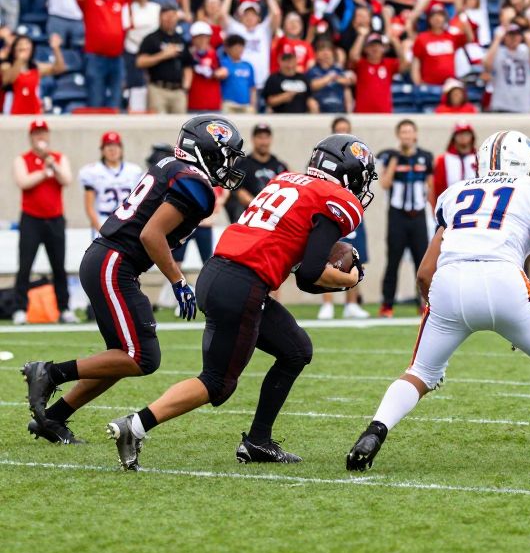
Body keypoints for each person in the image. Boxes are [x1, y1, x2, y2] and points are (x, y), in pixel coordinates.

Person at [346, 130, 530, 471]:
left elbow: (425, 272)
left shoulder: (455, 192)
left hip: (449, 281)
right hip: (503, 279)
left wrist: (438, 313)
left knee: (419, 374)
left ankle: (373, 433)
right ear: (527, 162)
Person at [107, 134, 374, 469]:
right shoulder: (337, 199)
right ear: (349, 173)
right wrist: (349, 280)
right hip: (242, 283)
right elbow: (308, 276)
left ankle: (258, 441)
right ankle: (135, 426)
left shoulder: (285, 179)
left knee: (296, 351)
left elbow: (289, 254)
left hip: (220, 272)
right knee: (217, 383)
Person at [21, 116, 244, 446]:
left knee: (122, 356)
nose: (227, 164)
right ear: (206, 151)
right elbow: (151, 234)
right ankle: (49, 373)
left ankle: (53, 417)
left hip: (109, 260)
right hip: (114, 263)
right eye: (224, 155)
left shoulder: (171, 165)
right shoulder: (194, 184)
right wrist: (178, 281)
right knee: (142, 357)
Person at [12, 120, 75, 327]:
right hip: (31, 219)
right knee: (25, 265)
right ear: (31, 137)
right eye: (36, 134)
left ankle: (64, 308)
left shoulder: (58, 158)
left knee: (59, 266)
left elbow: (66, 179)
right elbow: (23, 182)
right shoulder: (23, 159)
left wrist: (52, 165)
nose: (40, 137)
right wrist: (42, 171)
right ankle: (20, 308)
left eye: (43, 133)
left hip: (55, 219)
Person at [378, 120, 434, 318]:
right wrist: (394, 160)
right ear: (398, 135)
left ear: (415, 134)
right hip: (397, 215)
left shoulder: (425, 157)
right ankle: (387, 305)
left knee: (422, 261)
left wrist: (435, 212)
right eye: (403, 132)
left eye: (409, 132)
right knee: (393, 260)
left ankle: (425, 303)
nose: (406, 136)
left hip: (417, 215)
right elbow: (384, 184)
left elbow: (431, 187)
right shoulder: (390, 156)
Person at [319, 116, 372, 320]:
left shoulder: (359, 158)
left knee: (354, 255)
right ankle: (328, 304)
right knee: (326, 256)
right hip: (330, 211)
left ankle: (352, 303)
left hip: (351, 210)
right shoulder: (323, 156)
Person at [79, 131, 144, 237]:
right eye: (108, 146)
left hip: (128, 221)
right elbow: (89, 207)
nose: (112, 150)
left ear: (121, 149)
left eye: (115, 146)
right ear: (102, 150)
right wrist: (100, 229)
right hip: (104, 219)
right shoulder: (92, 171)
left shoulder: (134, 171)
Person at [136, 4, 191, 114]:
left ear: (176, 17)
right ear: (160, 17)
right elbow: (140, 62)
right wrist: (163, 55)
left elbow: (188, 65)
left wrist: (185, 86)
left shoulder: (181, 40)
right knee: (158, 125)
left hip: (178, 91)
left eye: (172, 15)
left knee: (180, 126)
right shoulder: (151, 38)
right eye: (166, 15)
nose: (169, 19)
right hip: (158, 89)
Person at [231, 123, 288, 220]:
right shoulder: (243, 164)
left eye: (266, 137)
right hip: (250, 216)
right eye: (260, 137)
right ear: (253, 139)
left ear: (271, 139)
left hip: (275, 218)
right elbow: (239, 192)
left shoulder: (279, 166)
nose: (264, 141)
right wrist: (261, 207)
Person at [433, 122, 477, 199]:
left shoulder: (479, 158)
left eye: (466, 134)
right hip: (450, 204)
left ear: (472, 136)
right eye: (459, 134)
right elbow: (437, 186)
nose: (463, 137)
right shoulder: (443, 159)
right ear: (454, 137)